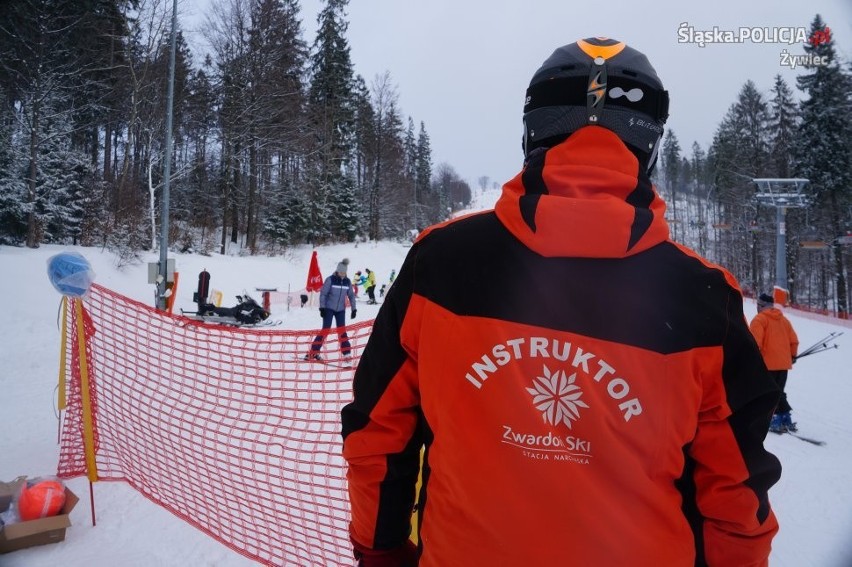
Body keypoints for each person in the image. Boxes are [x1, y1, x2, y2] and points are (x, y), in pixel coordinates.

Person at [341, 37, 781, 566]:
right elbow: (735, 491)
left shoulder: (440, 262)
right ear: (648, 147)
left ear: (533, 132)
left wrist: (380, 548)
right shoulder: (704, 295)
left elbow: (378, 434)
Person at [750, 292, 800, 433]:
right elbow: (794, 341)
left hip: (767, 364)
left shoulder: (759, 320)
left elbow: (755, 343)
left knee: (769, 392)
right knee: (778, 391)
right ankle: (786, 418)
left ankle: (776, 419)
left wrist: (751, 359)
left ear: (762, 306)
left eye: (758, 305)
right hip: (783, 364)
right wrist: (792, 355)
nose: (757, 307)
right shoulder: (783, 320)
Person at [306, 258, 356, 361]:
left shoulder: (347, 281)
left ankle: (346, 353)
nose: (342, 274)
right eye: (340, 272)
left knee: (342, 331)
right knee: (326, 330)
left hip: (341, 310)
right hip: (329, 308)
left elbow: (351, 295)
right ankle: (313, 352)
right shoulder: (330, 279)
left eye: (344, 272)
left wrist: (354, 309)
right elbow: (323, 294)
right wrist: (322, 308)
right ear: (337, 270)